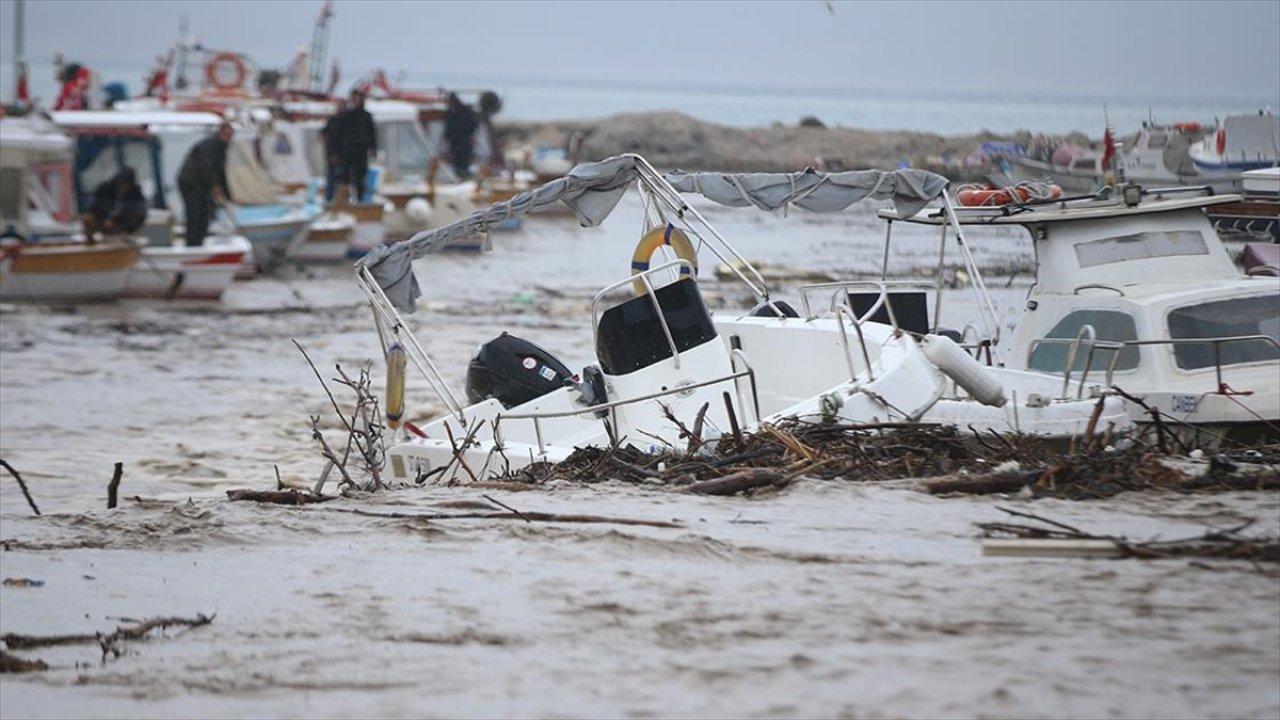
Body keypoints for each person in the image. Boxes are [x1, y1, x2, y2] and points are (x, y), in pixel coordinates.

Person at [177, 122, 233, 246]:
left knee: (206, 213)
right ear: (220, 133)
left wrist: (228, 195)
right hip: (190, 182)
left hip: (203, 183)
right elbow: (204, 167)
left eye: (231, 135)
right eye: (227, 134)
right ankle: (192, 244)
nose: (229, 138)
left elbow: (220, 172)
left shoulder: (221, 149)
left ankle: (199, 241)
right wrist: (214, 186)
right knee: (195, 214)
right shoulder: (209, 146)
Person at [333, 90, 376, 203]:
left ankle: (360, 201)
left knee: (360, 179)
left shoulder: (367, 116)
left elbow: (372, 134)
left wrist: (373, 149)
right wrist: (335, 151)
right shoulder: (347, 116)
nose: (357, 101)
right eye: (355, 99)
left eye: (359, 99)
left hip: (361, 152)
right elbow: (338, 135)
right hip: (347, 152)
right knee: (344, 178)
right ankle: (344, 201)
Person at [82, 167, 148, 239]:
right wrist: (105, 218)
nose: (123, 187)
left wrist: (128, 229)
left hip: (122, 224)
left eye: (126, 185)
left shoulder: (136, 195)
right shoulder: (105, 189)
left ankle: (124, 234)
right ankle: (90, 239)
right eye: (121, 184)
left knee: (136, 213)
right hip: (103, 220)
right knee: (88, 218)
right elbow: (94, 205)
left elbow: (140, 214)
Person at [443, 92, 479, 179]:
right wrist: (447, 137)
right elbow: (448, 127)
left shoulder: (465, 111)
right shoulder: (450, 113)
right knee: (456, 159)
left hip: (464, 141)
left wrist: (469, 135)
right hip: (455, 142)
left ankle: (464, 173)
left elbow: (473, 125)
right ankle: (459, 173)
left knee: (464, 159)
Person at [321, 99, 348, 203]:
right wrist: (332, 153)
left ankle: (340, 201)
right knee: (332, 180)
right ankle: (330, 201)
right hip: (333, 155)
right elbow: (326, 135)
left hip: (344, 157)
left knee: (341, 181)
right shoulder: (333, 120)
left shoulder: (348, 121)